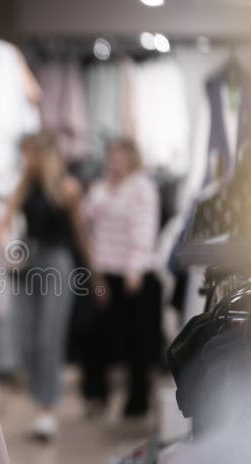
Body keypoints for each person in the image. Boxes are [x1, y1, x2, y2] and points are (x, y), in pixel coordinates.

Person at [0, 132, 91, 441]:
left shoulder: (68, 188)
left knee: (47, 337)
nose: (26, 160)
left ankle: (47, 408)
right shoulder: (24, 187)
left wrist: (95, 273)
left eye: (30, 154)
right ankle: (40, 402)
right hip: (28, 263)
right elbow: (1, 227)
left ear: (44, 155)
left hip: (57, 262)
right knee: (24, 337)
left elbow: (80, 234)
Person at [79, 137, 162, 418]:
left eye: (119, 157)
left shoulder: (142, 187)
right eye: (110, 157)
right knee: (95, 332)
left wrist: (135, 268)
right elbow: (86, 225)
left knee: (136, 337)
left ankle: (137, 398)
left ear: (130, 158)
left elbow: (144, 227)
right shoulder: (99, 189)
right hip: (104, 273)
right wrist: (94, 271)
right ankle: (96, 393)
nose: (114, 162)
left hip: (134, 275)